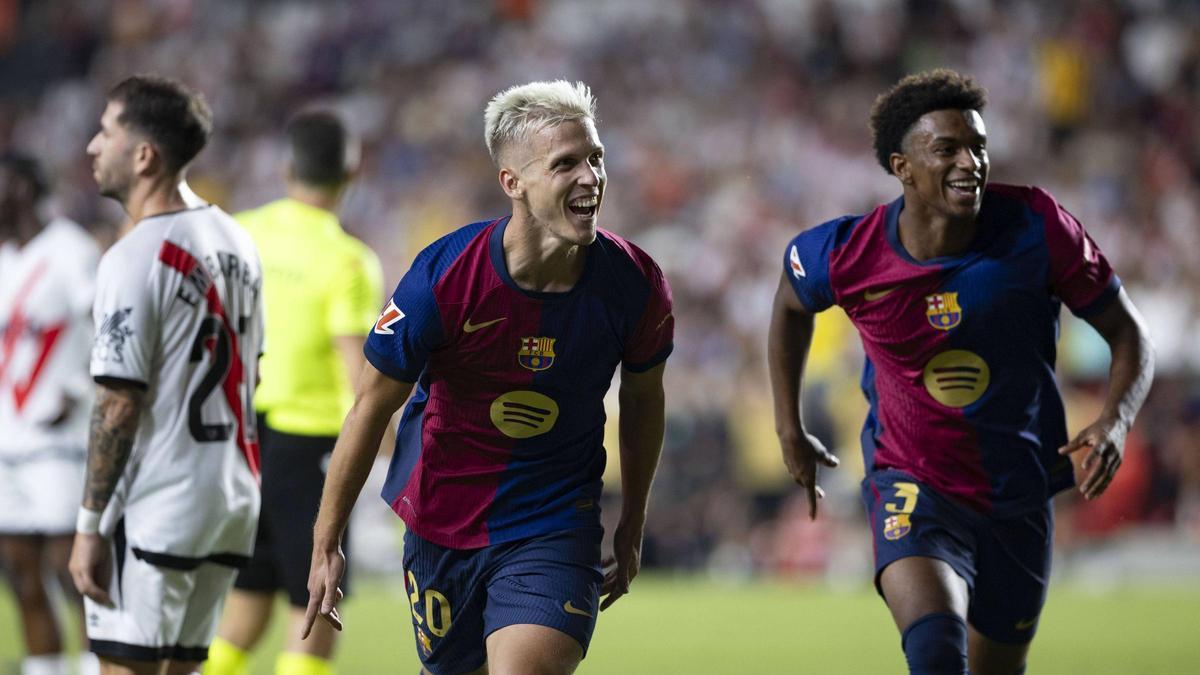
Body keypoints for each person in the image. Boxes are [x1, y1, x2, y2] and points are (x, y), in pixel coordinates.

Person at [767, 69, 1154, 675]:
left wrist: (1115, 419)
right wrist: (788, 426)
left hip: (1018, 491)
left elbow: (1127, 331)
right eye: (946, 149)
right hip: (912, 483)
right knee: (936, 652)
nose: (970, 162)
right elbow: (790, 304)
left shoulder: (1037, 227)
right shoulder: (848, 253)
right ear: (902, 167)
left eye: (977, 145)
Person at [302, 79, 674, 675]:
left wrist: (633, 515)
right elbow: (369, 408)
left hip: (555, 519)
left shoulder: (634, 283)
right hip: (442, 518)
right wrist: (326, 542)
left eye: (596, 158)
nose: (591, 177)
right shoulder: (443, 278)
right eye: (566, 164)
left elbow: (644, 398)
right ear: (513, 183)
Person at [68, 75, 265, 675]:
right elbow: (252, 370)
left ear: (144, 154)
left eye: (106, 132)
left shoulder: (133, 257)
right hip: (229, 498)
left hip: (160, 499)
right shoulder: (238, 240)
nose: (91, 147)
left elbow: (118, 403)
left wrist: (89, 526)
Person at [206, 110, 383, 675]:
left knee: (250, 590)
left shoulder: (240, 231)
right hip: (309, 445)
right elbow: (359, 367)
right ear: (351, 173)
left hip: (238, 437)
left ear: (286, 167)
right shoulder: (348, 259)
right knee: (316, 597)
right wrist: (386, 444)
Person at [0, 153, 101, 675]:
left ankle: (93, 666)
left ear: (20, 186)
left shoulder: (70, 250)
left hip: (60, 441)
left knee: (73, 570)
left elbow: (107, 325)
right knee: (19, 573)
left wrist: (80, 389)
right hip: (7, 441)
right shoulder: (3, 260)